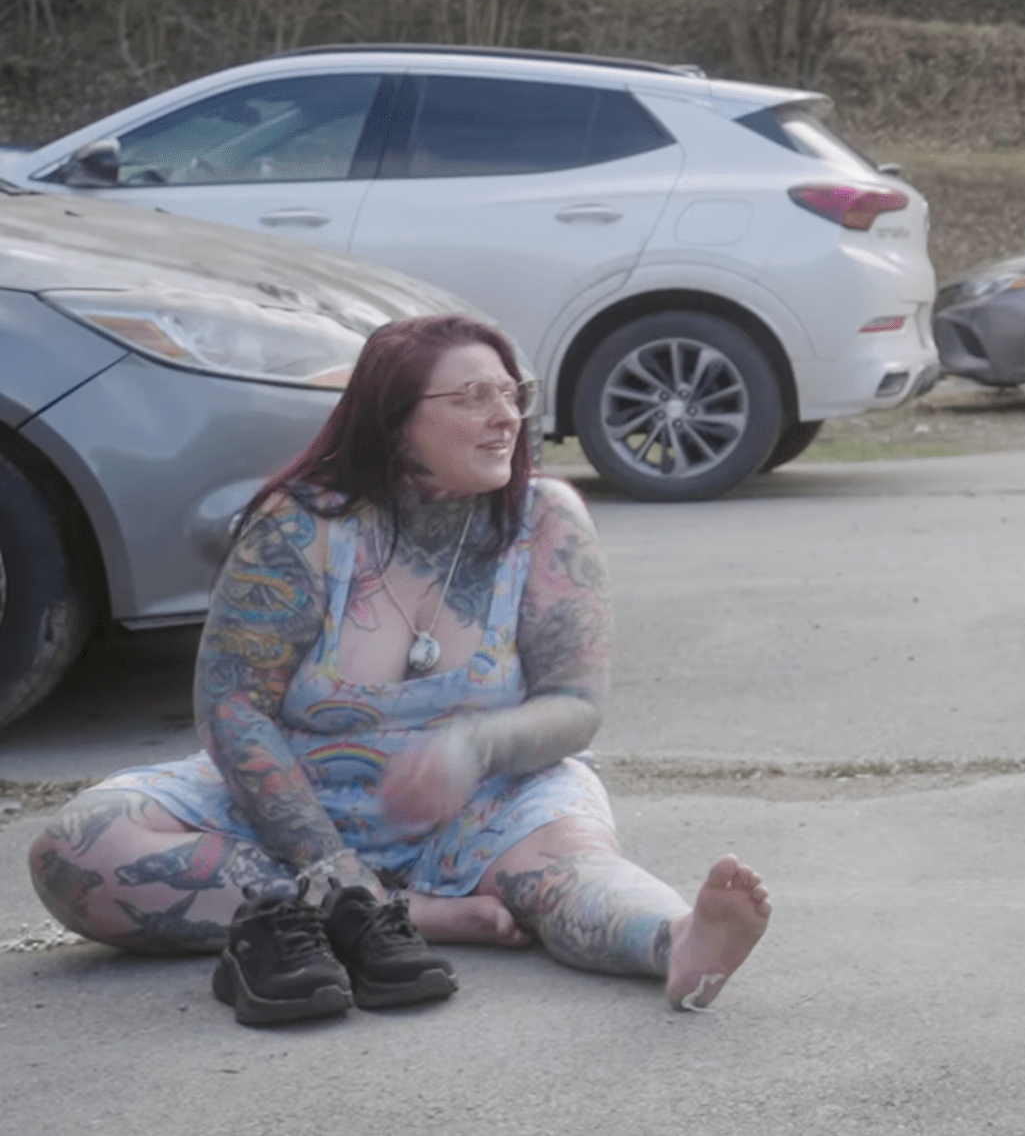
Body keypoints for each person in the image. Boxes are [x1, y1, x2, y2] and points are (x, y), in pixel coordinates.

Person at [25, 314, 771, 1024]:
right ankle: (413, 917)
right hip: (299, 801)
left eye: (511, 393)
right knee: (79, 849)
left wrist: (473, 746)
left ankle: (675, 942)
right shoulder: (302, 527)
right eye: (472, 397)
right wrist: (327, 862)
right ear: (394, 420)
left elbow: (575, 702)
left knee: (569, 867)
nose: (504, 416)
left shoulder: (545, 520)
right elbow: (233, 708)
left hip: (486, 799)